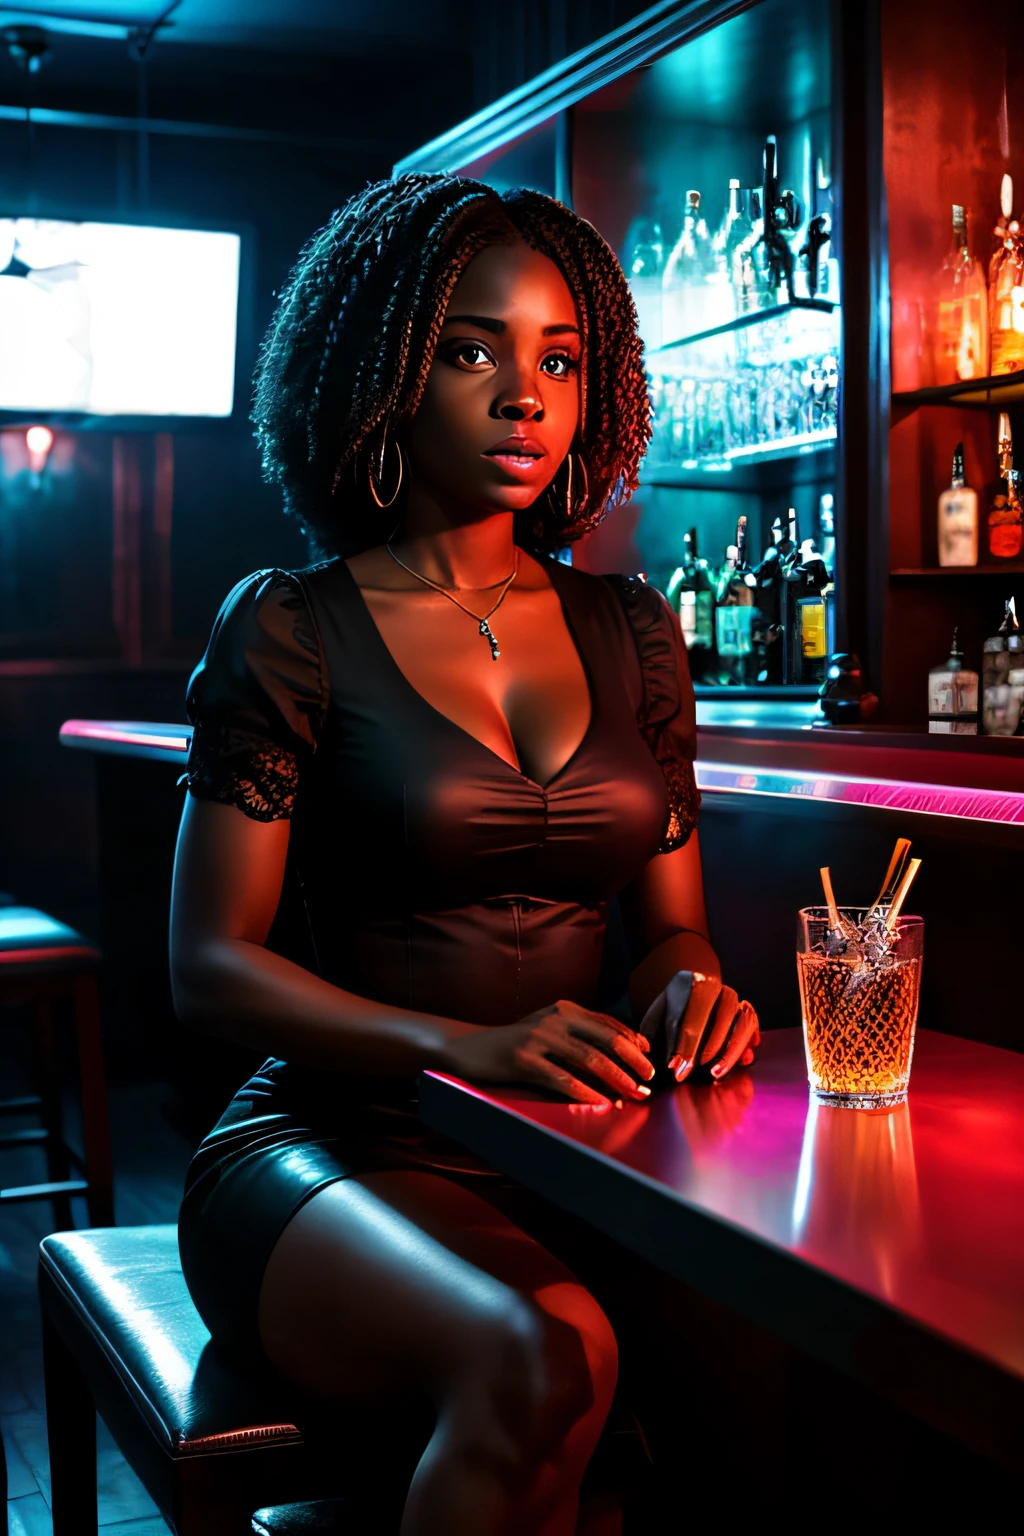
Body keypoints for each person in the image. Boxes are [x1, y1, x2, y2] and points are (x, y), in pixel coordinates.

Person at [170, 173, 760, 1536]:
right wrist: (461, 1045)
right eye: (471, 351)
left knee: (753, 1380)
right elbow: (209, 969)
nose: (525, 396)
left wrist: (689, 985)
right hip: (330, 1150)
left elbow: (671, 927)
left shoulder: (633, 628)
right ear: (382, 371)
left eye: (559, 359)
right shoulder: (291, 627)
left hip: (586, 1152)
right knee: (545, 1357)